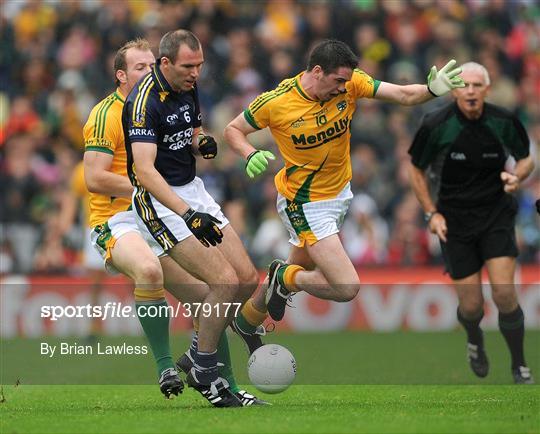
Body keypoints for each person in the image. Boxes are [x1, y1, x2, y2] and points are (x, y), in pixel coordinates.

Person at [223, 39, 464, 337]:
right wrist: (250, 153)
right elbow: (233, 129)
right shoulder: (277, 102)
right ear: (317, 71)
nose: (342, 88)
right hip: (305, 202)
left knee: (298, 266)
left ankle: (246, 323)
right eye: (337, 80)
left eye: (346, 82)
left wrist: (431, 91)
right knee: (346, 286)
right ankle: (283, 277)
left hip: (339, 195)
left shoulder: (351, 84)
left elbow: (402, 94)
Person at [84, 38, 264, 406]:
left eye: (150, 65)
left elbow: (189, 135)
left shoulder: (183, 87)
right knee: (159, 273)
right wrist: (176, 204)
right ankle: (174, 367)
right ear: (121, 75)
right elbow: (98, 177)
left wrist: (202, 144)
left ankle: (206, 367)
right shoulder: (114, 113)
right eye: (139, 66)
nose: (147, 71)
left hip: (173, 196)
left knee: (221, 291)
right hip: (123, 214)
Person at [407, 62, 535, 384]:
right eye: (465, 85)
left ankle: (520, 365)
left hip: (496, 214)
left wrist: (516, 176)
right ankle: (474, 337)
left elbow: (526, 158)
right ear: (453, 91)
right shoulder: (436, 124)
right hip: (454, 221)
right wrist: (431, 213)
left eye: (478, 85)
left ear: (487, 90)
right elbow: (416, 170)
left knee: (505, 296)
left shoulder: (503, 121)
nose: (471, 91)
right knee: (473, 306)